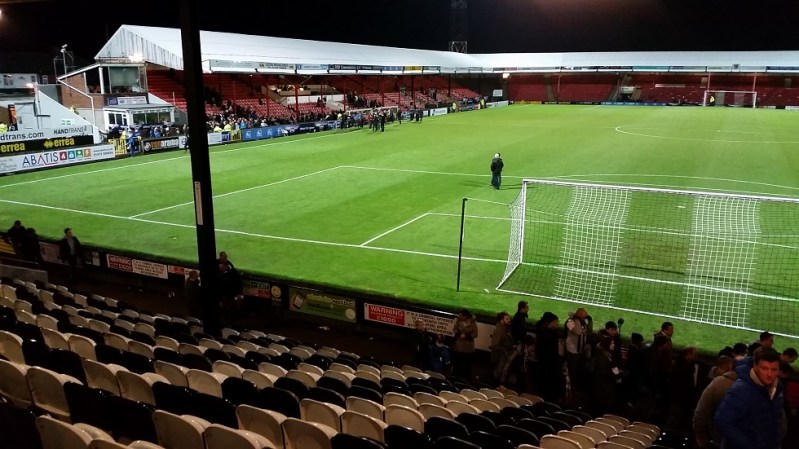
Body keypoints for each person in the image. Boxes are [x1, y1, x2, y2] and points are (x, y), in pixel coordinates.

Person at [714, 347, 786, 449]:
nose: (769, 374)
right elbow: (722, 420)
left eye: (774, 369)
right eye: (764, 368)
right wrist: (750, 445)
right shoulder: (741, 389)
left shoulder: (778, 387)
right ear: (755, 366)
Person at [694, 356, 737, 449]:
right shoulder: (756, 388)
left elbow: (702, 411)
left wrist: (699, 433)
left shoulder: (718, 383)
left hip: (716, 438)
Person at [452, 309, 478, 381]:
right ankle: (455, 377)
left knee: (467, 364)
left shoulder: (473, 323)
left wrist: (466, 336)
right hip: (458, 346)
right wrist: (459, 334)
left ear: (465, 316)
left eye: (460, 315)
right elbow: (454, 329)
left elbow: (475, 334)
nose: (459, 316)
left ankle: (465, 379)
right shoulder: (458, 321)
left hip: (468, 347)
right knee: (457, 363)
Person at [490, 311, 514, 384]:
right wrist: (505, 349)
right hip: (499, 358)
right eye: (507, 319)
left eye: (509, 318)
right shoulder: (499, 330)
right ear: (501, 320)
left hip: (503, 358)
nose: (509, 320)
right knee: (497, 377)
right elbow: (494, 345)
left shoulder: (506, 329)